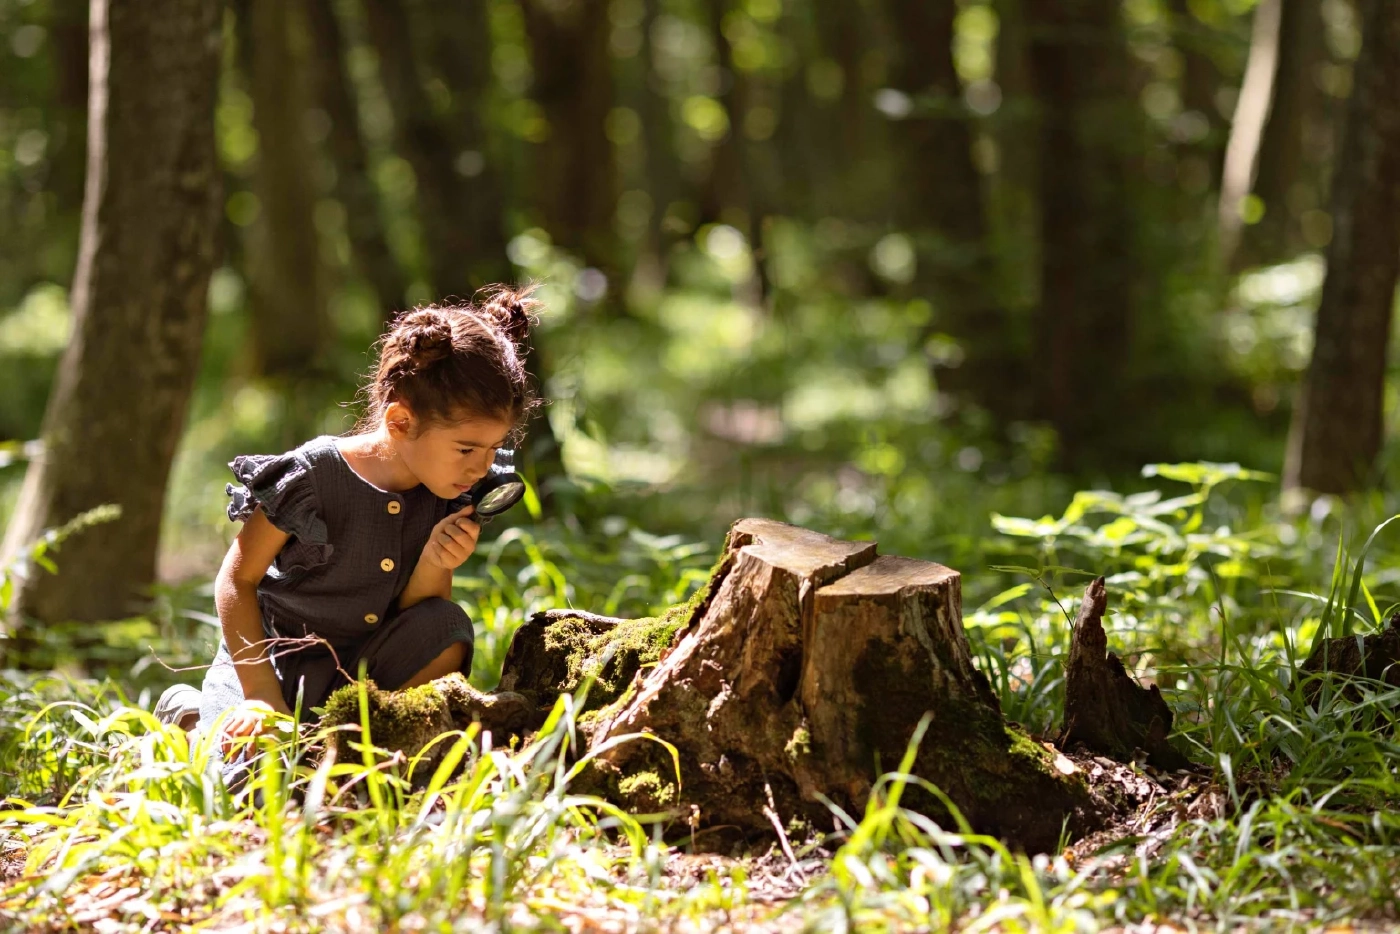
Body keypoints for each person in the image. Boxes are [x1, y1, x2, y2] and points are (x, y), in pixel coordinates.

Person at [154, 286, 540, 757]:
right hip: (273, 665)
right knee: (252, 779)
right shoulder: (313, 476)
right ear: (399, 422)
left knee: (444, 625)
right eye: (466, 449)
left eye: (491, 449)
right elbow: (236, 579)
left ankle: (363, 745)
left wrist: (437, 562)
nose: (481, 468)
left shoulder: (449, 488)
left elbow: (417, 618)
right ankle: (192, 717)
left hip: (362, 672)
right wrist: (259, 698)